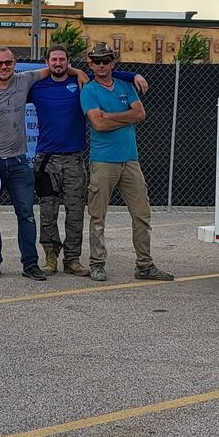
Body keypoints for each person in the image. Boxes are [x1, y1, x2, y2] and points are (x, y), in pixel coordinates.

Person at [0, 47, 82, 279]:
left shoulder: (24, 80)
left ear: (15, 63)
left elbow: (55, 68)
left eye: (7, 63)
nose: (3, 67)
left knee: (26, 214)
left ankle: (30, 264)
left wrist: (80, 73)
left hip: (18, 163)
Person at [28, 44, 146, 275]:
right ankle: (50, 257)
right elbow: (9, 86)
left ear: (69, 62)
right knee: (48, 211)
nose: (58, 63)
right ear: (47, 63)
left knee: (75, 212)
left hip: (74, 159)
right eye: (54, 60)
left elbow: (108, 72)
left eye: (62, 59)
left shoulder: (82, 83)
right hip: (46, 160)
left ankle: (72, 259)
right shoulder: (37, 87)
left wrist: (132, 75)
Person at [81, 43, 174, 283]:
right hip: (103, 161)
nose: (101, 65)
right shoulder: (89, 90)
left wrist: (109, 115)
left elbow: (140, 114)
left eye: (106, 60)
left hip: (130, 160)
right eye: (97, 61)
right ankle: (97, 263)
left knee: (142, 214)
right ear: (90, 64)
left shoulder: (125, 86)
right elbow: (97, 124)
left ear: (113, 63)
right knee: (98, 216)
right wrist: (125, 117)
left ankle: (144, 264)